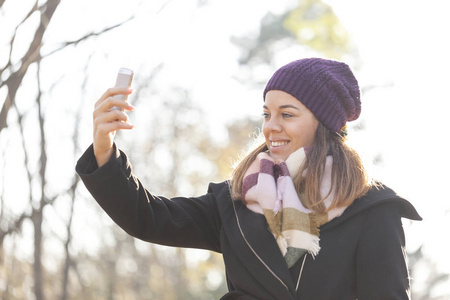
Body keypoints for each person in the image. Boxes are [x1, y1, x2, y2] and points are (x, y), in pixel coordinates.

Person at [76, 58, 422, 300]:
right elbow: (147, 218)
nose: (271, 126)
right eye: (267, 113)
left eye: (287, 114)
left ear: (326, 125)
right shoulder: (235, 202)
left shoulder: (371, 209)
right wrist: (104, 148)